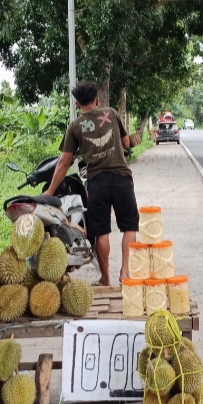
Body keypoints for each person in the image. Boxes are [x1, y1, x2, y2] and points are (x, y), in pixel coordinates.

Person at [44, 81, 139, 286]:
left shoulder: (75, 126)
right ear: (97, 100)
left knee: (102, 232)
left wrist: (50, 191)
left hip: (97, 182)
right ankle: (125, 272)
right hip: (122, 178)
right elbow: (125, 143)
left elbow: (64, 161)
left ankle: (105, 278)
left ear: (77, 104)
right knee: (129, 226)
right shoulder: (111, 113)